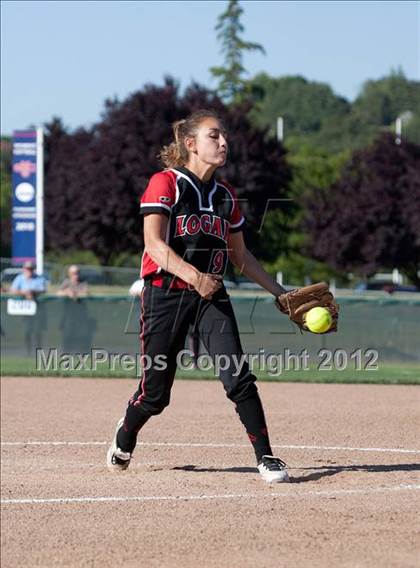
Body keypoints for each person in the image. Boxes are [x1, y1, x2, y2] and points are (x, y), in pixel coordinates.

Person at [107, 109, 290, 483]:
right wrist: (194, 276)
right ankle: (125, 433)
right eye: (213, 136)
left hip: (210, 298)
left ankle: (267, 457)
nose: (223, 143)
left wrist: (281, 293)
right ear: (190, 144)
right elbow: (154, 246)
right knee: (155, 394)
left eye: (224, 137)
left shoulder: (225, 196)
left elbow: (240, 257)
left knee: (238, 377)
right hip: (165, 295)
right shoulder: (166, 183)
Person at [10, 260, 48, 355]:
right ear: (24, 269)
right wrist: (24, 292)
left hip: (38, 308)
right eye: (27, 268)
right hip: (25, 309)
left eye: (31, 268)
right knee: (27, 331)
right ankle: (28, 351)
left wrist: (32, 292)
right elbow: (13, 290)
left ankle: (38, 351)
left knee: (37, 331)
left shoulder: (39, 278)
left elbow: (43, 289)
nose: (29, 270)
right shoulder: (19, 278)